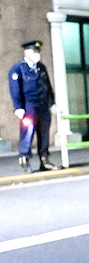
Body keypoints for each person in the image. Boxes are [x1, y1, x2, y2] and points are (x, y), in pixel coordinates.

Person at [8, 40, 56, 173]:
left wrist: (52, 103)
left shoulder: (41, 67)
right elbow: (15, 90)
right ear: (26, 52)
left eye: (37, 51)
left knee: (44, 133)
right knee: (27, 132)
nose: (36, 54)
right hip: (29, 106)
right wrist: (18, 107)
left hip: (43, 105)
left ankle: (44, 159)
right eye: (34, 51)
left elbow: (47, 87)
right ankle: (25, 159)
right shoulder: (18, 69)